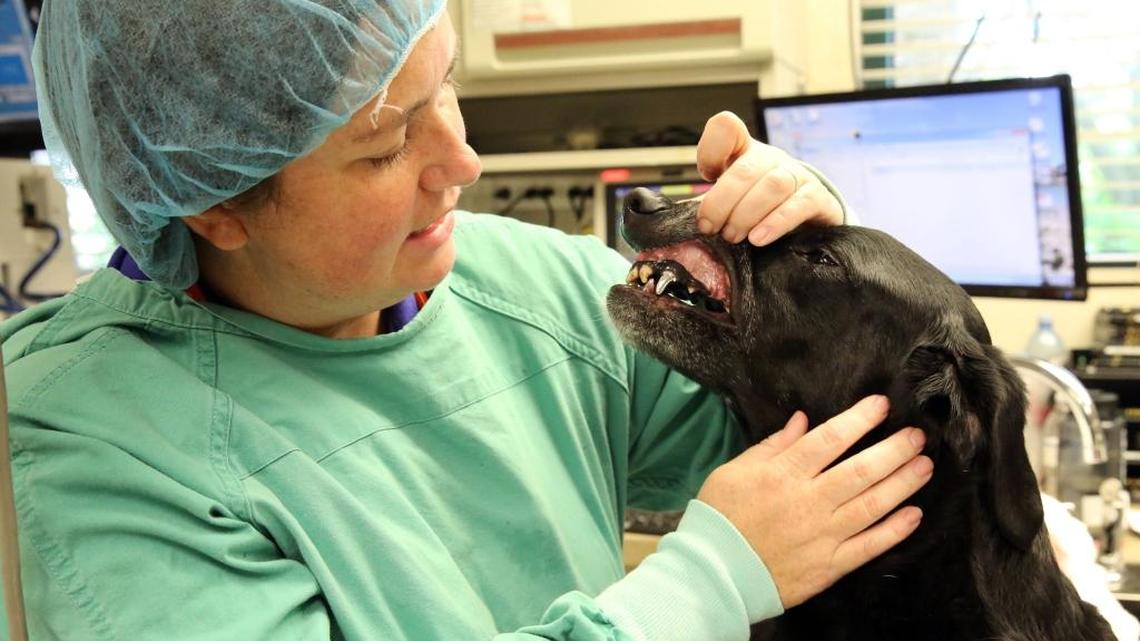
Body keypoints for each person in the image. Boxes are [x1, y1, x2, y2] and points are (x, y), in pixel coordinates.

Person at [0, 1, 932, 639]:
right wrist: (703, 588)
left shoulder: (527, 285)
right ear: (213, 206)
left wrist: (809, 270)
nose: (464, 158)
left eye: (443, 86)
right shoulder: (94, 440)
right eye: (387, 143)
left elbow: (802, 454)